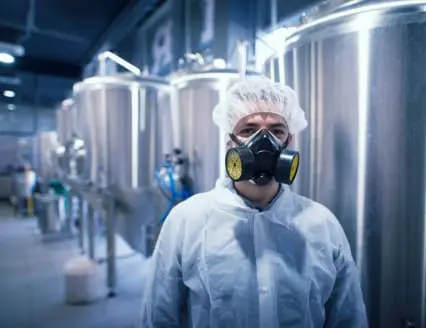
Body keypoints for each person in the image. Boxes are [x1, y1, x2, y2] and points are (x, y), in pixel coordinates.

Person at [139, 76, 368, 327]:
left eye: (276, 131)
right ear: (230, 142)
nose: (264, 142)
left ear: (289, 141)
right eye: (248, 130)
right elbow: (159, 316)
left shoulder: (322, 224)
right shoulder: (187, 220)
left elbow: (348, 316)